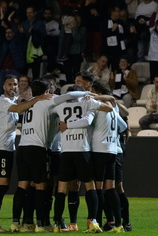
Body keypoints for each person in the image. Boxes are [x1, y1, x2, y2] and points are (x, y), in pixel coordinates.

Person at [11, 79, 95, 233]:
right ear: (46, 92)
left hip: (22, 147)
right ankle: (42, 223)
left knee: (23, 186)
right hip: (38, 148)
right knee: (42, 186)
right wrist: (88, 93)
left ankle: (19, 222)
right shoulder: (47, 102)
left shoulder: (30, 103)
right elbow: (70, 94)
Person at [0, 74, 52, 232]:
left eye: (15, 84)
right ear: (3, 87)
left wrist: (24, 98)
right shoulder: (2, 102)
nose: (13, 87)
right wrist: (37, 98)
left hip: (3, 148)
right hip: (1, 149)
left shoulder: (10, 101)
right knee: (2, 186)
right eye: (9, 84)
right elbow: (19, 108)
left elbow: (19, 105)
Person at [52, 84, 113, 233]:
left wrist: (67, 124)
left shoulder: (59, 105)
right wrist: (93, 97)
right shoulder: (88, 102)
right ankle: (92, 220)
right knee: (89, 186)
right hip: (82, 150)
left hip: (66, 151)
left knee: (61, 188)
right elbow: (109, 108)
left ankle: (56, 224)